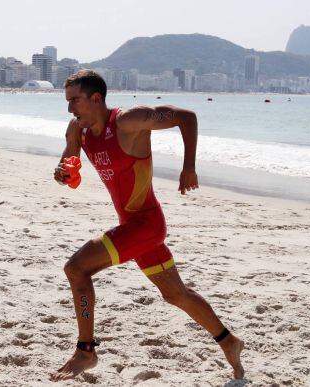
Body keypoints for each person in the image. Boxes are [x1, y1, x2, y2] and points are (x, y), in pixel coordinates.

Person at [50, 70, 244, 381]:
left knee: (77, 268)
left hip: (146, 224)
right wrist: (64, 172)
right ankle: (229, 341)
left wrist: (189, 168)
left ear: (96, 98)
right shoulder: (78, 129)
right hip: (132, 226)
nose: (70, 108)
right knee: (176, 294)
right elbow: (70, 161)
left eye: (75, 100)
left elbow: (187, 117)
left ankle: (86, 351)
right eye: (68, 101)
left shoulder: (129, 122)